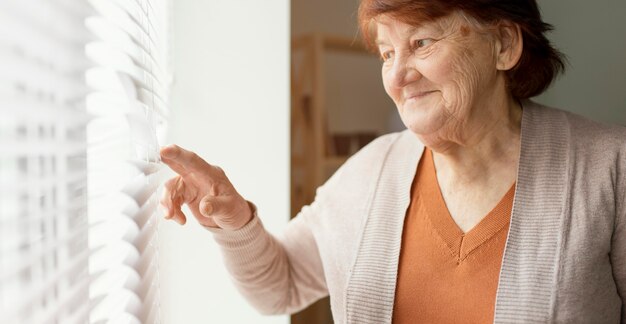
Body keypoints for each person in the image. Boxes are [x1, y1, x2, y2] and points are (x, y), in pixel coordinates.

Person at [159, 0, 626, 323]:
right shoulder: (369, 172)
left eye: (421, 43)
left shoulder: (609, 167)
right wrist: (235, 220)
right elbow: (278, 285)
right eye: (387, 52)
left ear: (503, 44)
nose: (398, 75)